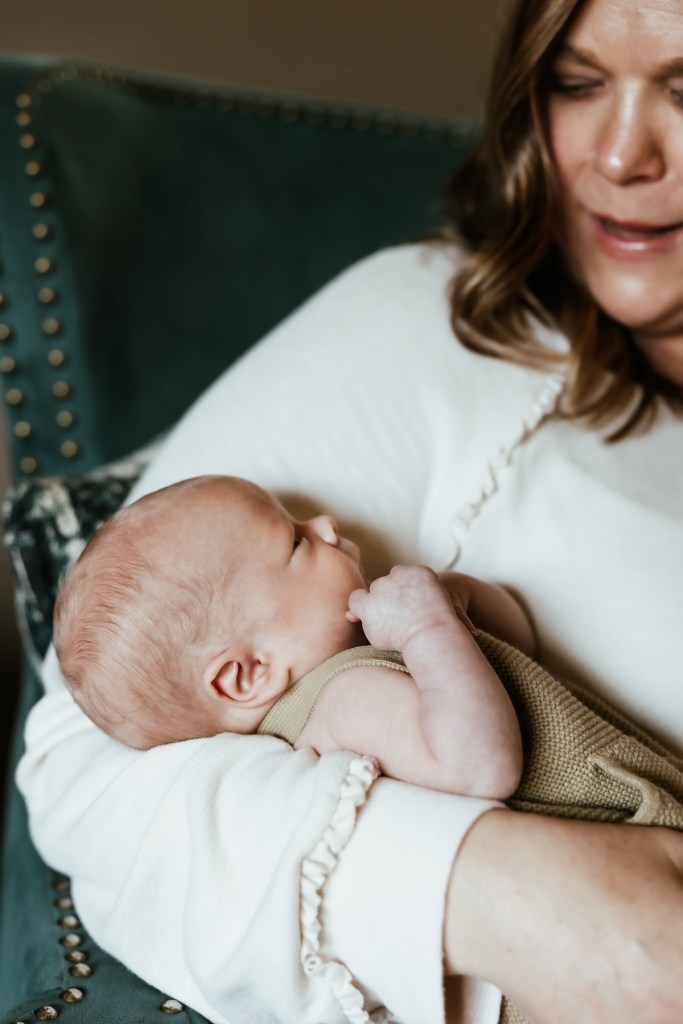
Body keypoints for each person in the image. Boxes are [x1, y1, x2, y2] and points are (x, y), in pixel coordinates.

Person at [15, 0, 683, 1021]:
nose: (620, 154)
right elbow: (94, 762)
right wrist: (555, 907)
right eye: (575, 82)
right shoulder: (443, 326)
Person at [53, 474, 529, 799]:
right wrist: (429, 627)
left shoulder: (366, 656)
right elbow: (481, 769)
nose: (326, 525)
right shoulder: (344, 702)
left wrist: (452, 598)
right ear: (250, 674)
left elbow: (521, 646)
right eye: (297, 542)